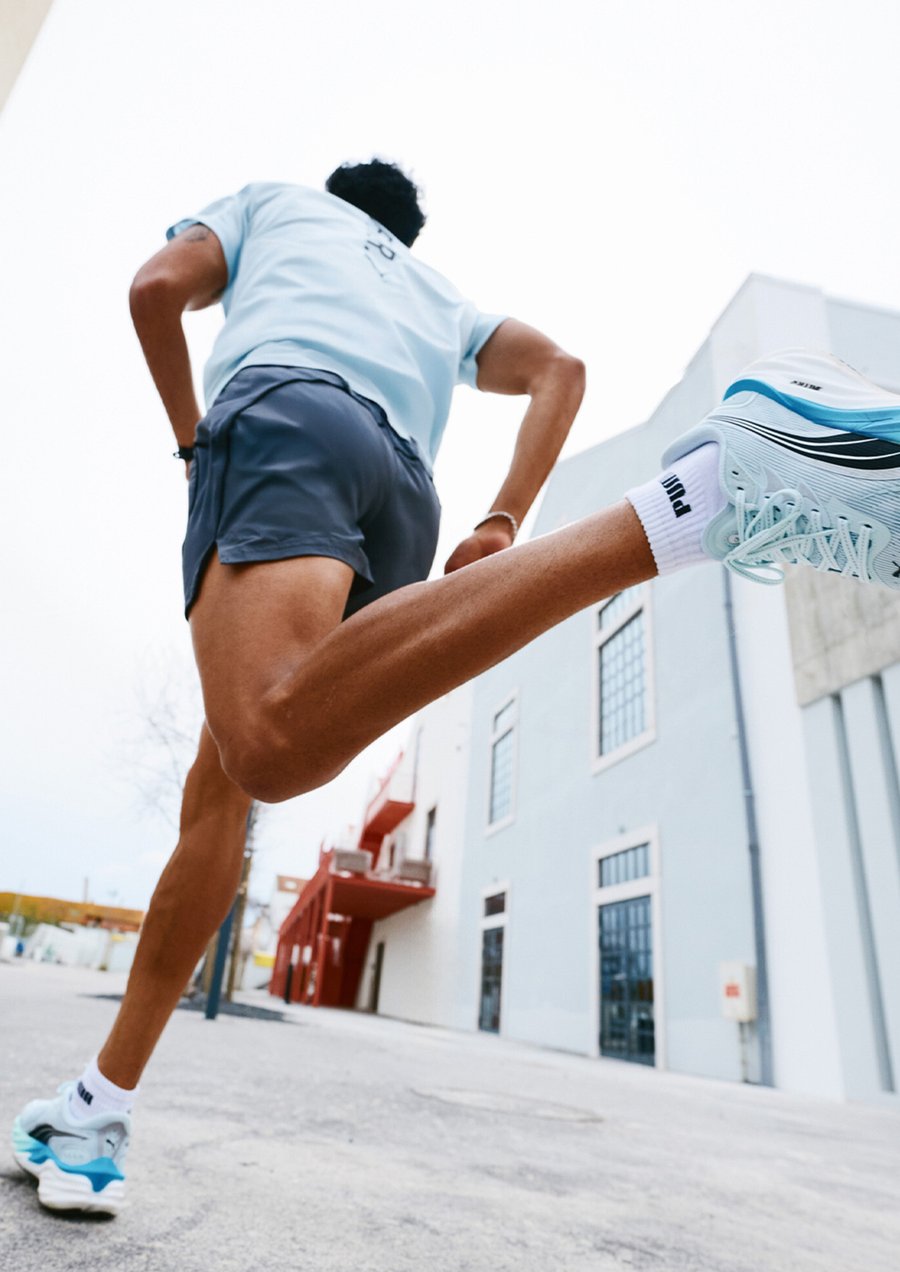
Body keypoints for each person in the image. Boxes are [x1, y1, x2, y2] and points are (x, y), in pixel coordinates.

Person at [12, 160, 900, 1214]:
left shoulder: (272, 205)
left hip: (285, 422)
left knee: (266, 742)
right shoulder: (438, 296)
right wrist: (501, 516)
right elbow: (561, 368)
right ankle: (94, 1106)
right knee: (222, 790)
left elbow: (157, 289)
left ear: (336, 196)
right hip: (401, 487)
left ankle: (700, 498)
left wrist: (192, 443)